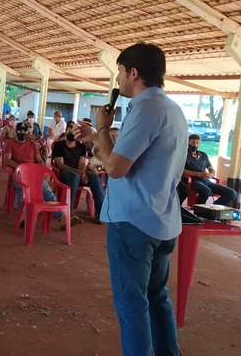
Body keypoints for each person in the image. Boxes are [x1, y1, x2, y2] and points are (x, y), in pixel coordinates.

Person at [75, 43, 187, 356]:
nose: (119, 80)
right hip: (161, 221)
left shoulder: (145, 110)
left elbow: (116, 168)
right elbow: (127, 159)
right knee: (156, 299)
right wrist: (99, 138)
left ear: (133, 73)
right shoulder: (171, 109)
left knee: (132, 307)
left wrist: (101, 128)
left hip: (134, 223)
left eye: (121, 73)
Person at [4, 123, 68, 227]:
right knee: (22, 190)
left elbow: (39, 159)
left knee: (47, 191)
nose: (22, 133)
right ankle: (23, 216)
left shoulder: (32, 144)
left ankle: (61, 216)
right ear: (17, 131)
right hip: (19, 172)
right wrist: (20, 168)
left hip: (32, 172)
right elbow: (7, 159)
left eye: (24, 131)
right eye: (20, 131)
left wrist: (42, 170)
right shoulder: (10, 143)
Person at [52, 120, 105, 224]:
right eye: (70, 129)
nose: (72, 131)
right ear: (66, 131)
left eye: (74, 129)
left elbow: (82, 163)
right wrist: (80, 173)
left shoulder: (81, 146)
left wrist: (83, 173)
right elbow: (61, 165)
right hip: (64, 174)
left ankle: (100, 212)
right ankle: (69, 213)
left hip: (79, 173)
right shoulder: (59, 145)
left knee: (94, 177)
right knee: (74, 176)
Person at [183, 134, 237, 206]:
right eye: (193, 142)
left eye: (197, 142)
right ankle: (199, 210)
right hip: (193, 181)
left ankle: (211, 208)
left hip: (206, 181)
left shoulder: (203, 155)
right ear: (188, 142)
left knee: (232, 193)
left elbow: (212, 170)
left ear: (200, 143)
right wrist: (198, 174)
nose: (195, 145)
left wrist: (210, 175)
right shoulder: (184, 155)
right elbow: (181, 170)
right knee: (206, 191)